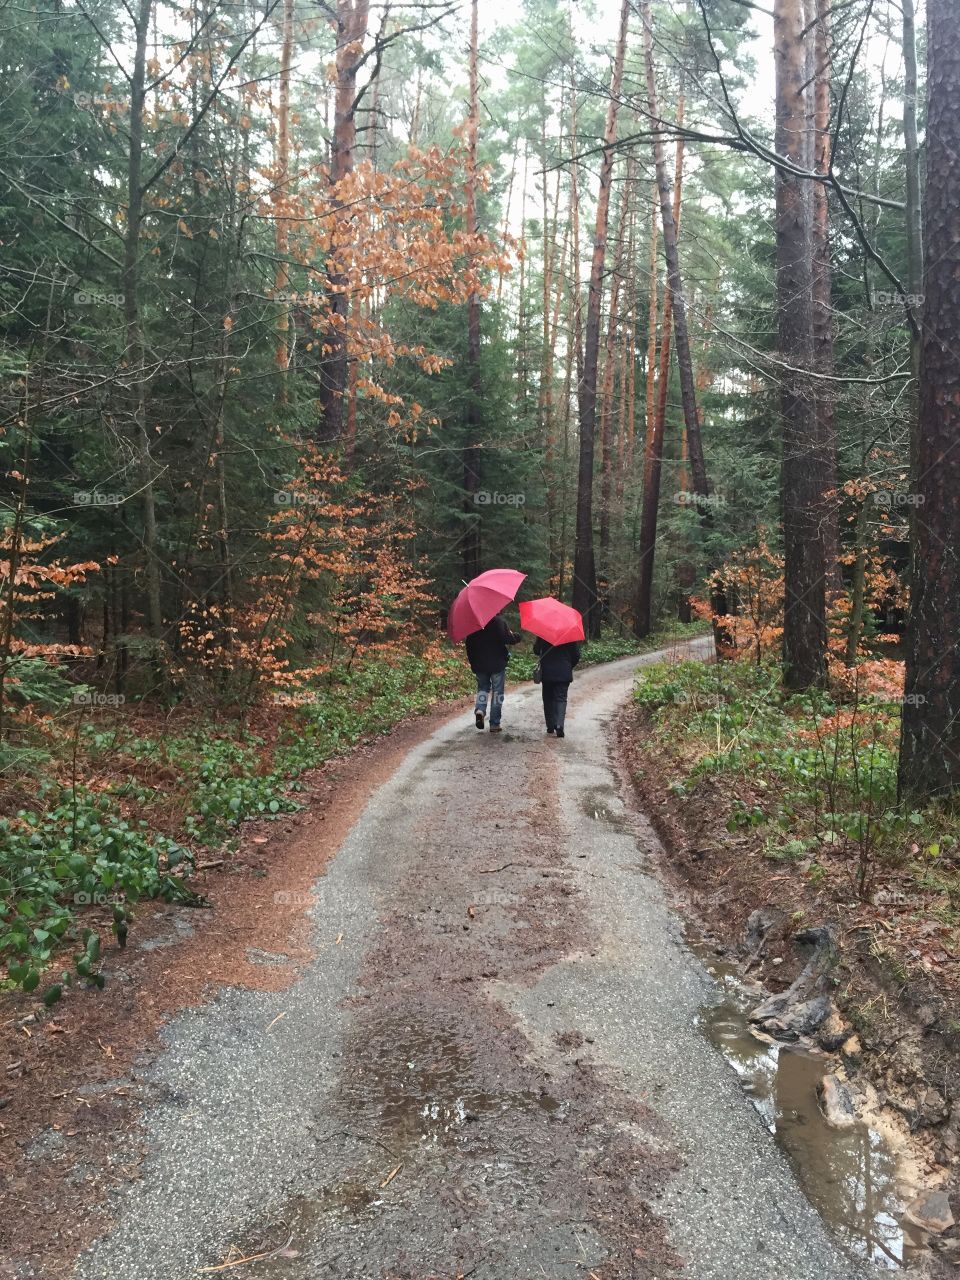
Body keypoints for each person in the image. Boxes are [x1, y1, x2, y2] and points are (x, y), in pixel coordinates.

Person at [465, 611, 521, 733]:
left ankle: (480, 710)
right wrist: (516, 636)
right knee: (497, 693)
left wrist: (473, 663)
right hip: (497, 664)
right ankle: (494, 723)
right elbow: (507, 638)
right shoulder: (498, 621)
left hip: (479, 664)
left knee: (482, 689)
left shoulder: (474, 624)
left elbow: (468, 645)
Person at [533, 636, 581, 738]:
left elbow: (536, 650)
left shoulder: (544, 631)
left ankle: (550, 726)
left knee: (548, 698)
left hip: (547, 672)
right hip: (563, 672)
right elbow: (576, 656)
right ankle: (559, 725)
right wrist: (568, 665)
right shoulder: (569, 634)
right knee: (561, 698)